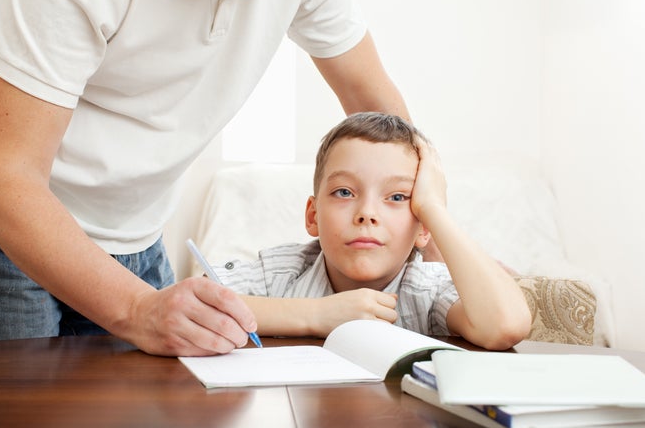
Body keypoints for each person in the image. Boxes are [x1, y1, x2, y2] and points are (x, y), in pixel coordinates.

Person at [0, 0, 412, 356]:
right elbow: (5, 183)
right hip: (3, 230)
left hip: (138, 231)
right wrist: (139, 310)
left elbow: (392, 127)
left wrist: (433, 257)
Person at [213, 112, 532, 350]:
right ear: (313, 216)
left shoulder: (427, 290)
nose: (366, 213)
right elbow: (194, 305)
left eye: (396, 197)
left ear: (424, 229)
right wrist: (316, 315)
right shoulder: (281, 274)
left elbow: (505, 325)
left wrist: (434, 208)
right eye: (344, 192)